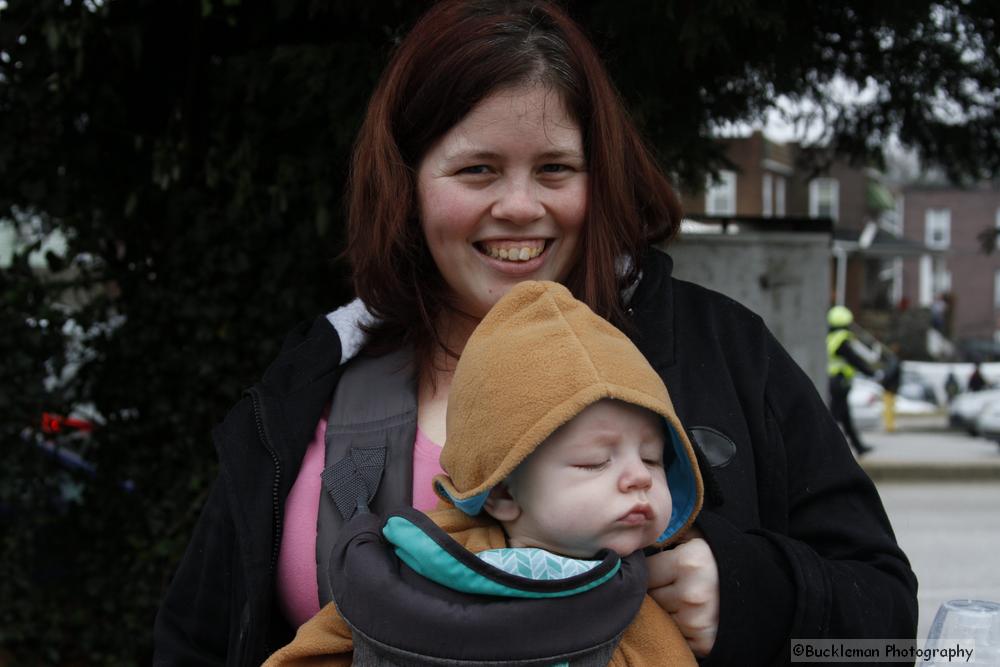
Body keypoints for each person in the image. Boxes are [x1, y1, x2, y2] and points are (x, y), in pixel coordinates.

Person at [153, 2, 918, 664]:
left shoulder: (724, 354)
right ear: (408, 184)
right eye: (478, 170)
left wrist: (753, 597)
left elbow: (888, 635)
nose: (521, 207)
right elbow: (194, 642)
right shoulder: (315, 385)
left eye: (555, 169)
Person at [263, 280, 704, 666]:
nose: (640, 478)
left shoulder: (642, 607)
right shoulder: (405, 571)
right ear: (502, 493)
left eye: (651, 457)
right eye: (594, 461)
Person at [826, 305, 876, 455]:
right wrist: (870, 372)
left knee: (843, 416)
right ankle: (827, 447)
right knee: (835, 417)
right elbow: (854, 359)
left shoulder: (831, 337)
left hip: (835, 381)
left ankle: (858, 446)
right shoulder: (842, 339)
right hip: (839, 381)